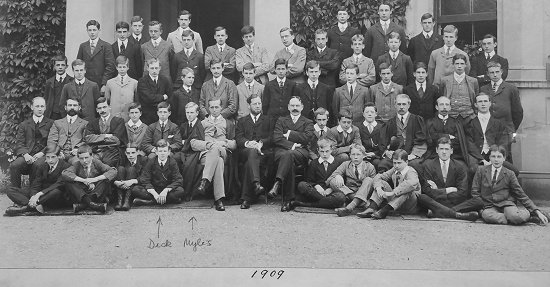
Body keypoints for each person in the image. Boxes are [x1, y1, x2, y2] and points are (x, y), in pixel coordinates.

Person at [474, 145, 549, 225]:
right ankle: (511, 219)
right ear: (489, 157)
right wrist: (482, 206)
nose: (496, 160)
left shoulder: (510, 173)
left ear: (504, 158)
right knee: (487, 215)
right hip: (489, 206)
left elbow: (521, 194)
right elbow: (475, 191)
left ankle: (527, 214)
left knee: (516, 217)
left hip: (506, 203)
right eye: (493, 156)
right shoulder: (481, 170)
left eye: (499, 157)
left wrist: (537, 211)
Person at [190, 98, 237, 211]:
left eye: (217, 107)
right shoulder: (201, 123)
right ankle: (219, 199)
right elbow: (193, 143)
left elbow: (235, 143)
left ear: (221, 108)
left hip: (223, 152)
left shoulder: (228, 123)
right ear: (208, 108)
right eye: (212, 107)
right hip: (206, 155)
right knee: (218, 161)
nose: (214, 110)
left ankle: (205, 180)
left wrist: (223, 143)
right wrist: (208, 145)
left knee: (218, 151)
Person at [417, 137, 480, 221]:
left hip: (451, 201)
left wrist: (438, 191)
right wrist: (448, 190)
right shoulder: (428, 165)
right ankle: (457, 214)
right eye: (441, 149)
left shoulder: (460, 166)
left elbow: (462, 192)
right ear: (436, 150)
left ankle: (439, 212)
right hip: (436, 201)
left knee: (478, 201)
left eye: (447, 149)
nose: (444, 152)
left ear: (451, 151)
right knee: (422, 197)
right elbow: (427, 191)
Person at [270, 96, 314, 211]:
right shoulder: (281, 120)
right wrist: (293, 145)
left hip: (301, 153)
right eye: (292, 106)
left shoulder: (308, 122)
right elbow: (277, 138)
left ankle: (278, 183)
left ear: (302, 107)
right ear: (288, 107)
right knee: (288, 157)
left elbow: (307, 138)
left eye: (297, 106)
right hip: (283, 151)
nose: (295, 108)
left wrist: (289, 133)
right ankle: (288, 200)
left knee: (288, 155)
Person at [5, 145, 71, 215]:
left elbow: (59, 184)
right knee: (10, 189)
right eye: (48, 157)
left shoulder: (66, 167)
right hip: (41, 196)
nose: (50, 160)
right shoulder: (42, 166)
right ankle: (35, 205)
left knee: (56, 192)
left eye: (53, 157)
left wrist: (39, 194)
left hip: (54, 197)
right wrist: (33, 196)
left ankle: (27, 207)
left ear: (59, 156)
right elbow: (36, 184)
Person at [354, 149, 420, 219]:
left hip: (410, 205)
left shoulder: (411, 171)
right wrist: (378, 188)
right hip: (396, 203)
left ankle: (384, 211)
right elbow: (379, 176)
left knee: (406, 190)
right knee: (382, 183)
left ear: (406, 162)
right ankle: (372, 208)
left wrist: (393, 192)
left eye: (399, 163)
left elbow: (411, 184)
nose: (396, 166)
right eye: (394, 163)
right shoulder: (395, 169)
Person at [236, 95, 274, 209]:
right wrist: (248, 143)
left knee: (249, 164)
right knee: (251, 152)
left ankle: (246, 199)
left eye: (259, 103)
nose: (258, 106)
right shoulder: (242, 121)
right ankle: (256, 183)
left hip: (263, 153)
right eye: (255, 104)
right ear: (248, 106)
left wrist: (261, 143)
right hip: (246, 152)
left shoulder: (268, 120)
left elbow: (272, 137)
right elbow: (238, 138)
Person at [464, 93, 517, 175]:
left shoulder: (498, 123)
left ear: (490, 103)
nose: (483, 104)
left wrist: (494, 157)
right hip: (477, 156)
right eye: (480, 101)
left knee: (514, 171)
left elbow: (503, 142)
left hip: (494, 154)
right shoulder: (470, 123)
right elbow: (470, 144)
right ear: (475, 105)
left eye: (485, 101)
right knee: (473, 171)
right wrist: (482, 160)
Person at [10, 97, 54, 188]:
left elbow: (52, 142)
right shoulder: (24, 124)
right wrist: (25, 154)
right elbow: (20, 143)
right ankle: (17, 193)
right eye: (37, 106)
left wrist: (42, 153)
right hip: (27, 155)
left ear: (45, 108)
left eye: (42, 106)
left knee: (37, 165)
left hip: (43, 155)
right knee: (15, 165)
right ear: (32, 107)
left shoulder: (51, 123)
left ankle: (33, 194)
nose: (40, 109)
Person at [480, 61, 523, 151]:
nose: (495, 75)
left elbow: (518, 112)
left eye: (497, 72)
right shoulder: (483, 89)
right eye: (492, 72)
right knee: (491, 156)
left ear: (501, 72)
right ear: (488, 74)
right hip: (489, 130)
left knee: (506, 157)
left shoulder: (511, 88)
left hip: (506, 131)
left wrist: (511, 129)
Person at [62, 144, 117, 213]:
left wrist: (95, 179)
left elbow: (113, 171)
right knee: (68, 181)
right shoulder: (77, 164)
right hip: (82, 194)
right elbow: (65, 173)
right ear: (78, 158)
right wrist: (84, 181)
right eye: (81, 158)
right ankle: (92, 205)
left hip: (96, 193)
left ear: (91, 156)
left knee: (106, 179)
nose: (84, 161)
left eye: (86, 157)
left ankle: (84, 205)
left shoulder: (96, 163)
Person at [293, 139, 346, 209]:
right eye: (322, 151)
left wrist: (331, 189)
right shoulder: (314, 163)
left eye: (327, 151)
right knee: (302, 185)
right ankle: (326, 203)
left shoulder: (338, 162)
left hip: (332, 192)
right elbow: (309, 180)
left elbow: (343, 180)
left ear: (331, 150)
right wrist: (316, 186)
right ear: (318, 150)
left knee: (340, 197)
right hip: (316, 193)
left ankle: (309, 205)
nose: (324, 154)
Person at [380, 94, 427, 170]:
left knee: (414, 165)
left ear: (409, 105)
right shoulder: (390, 123)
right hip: (395, 155)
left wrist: (414, 155)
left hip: (412, 154)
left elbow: (421, 141)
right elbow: (384, 142)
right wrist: (387, 152)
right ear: (395, 105)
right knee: (384, 164)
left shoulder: (417, 120)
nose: (401, 107)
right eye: (399, 104)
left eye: (404, 104)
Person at [133, 139, 185, 206]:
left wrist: (166, 190)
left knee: (180, 191)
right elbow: (145, 179)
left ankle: (150, 202)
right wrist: (154, 194)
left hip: (167, 190)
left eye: (164, 151)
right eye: (160, 151)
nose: (162, 153)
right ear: (156, 152)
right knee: (135, 189)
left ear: (169, 152)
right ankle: (165, 200)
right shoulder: (151, 162)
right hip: (154, 189)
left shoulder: (172, 162)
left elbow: (178, 180)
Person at [330, 144, 377, 217]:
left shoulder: (370, 167)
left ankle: (350, 207)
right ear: (350, 155)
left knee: (369, 180)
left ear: (364, 155)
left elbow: (374, 185)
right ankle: (359, 202)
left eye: (358, 154)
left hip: (365, 193)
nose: (355, 157)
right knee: (333, 181)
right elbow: (330, 178)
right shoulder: (346, 164)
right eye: (353, 154)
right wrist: (337, 176)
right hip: (348, 192)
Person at [76, 20, 116, 96]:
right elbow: (78, 65)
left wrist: (104, 84)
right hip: (86, 83)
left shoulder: (106, 46)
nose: (92, 32)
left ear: (99, 30)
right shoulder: (83, 46)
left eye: (94, 30)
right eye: (90, 30)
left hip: (100, 83)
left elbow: (110, 66)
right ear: (87, 31)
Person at [84, 97, 127, 166]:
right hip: (96, 152)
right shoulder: (92, 123)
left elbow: (116, 140)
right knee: (91, 164)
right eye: (100, 108)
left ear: (109, 107)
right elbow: (88, 138)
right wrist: (106, 136)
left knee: (107, 163)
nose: (102, 110)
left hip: (113, 152)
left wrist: (97, 140)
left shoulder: (119, 121)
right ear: (97, 110)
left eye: (104, 107)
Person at [425, 96, 469, 162]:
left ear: (450, 107)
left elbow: (458, 141)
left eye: (447, 104)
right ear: (436, 107)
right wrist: (448, 136)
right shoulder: (430, 122)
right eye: (441, 104)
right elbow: (430, 140)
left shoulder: (456, 123)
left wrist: (438, 136)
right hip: (434, 155)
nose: (444, 107)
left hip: (454, 155)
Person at [47, 97, 89, 165]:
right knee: (44, 164)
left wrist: (78, 150)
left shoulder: (85, 124)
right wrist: (57, 152)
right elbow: (51, 141)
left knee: (78, 163)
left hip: (75, 154)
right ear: (65, 107)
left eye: (75, 105)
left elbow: (86, 141)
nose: (72, 107)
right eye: (70, 105)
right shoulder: (57, 123)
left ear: (79, 107)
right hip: (59, 154)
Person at [439, 54, 479, 122]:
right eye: (457, 63)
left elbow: (476, 98)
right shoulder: (445, 80)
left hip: (469, 117)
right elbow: (441, 96)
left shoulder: (473, 81)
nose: (459, 66)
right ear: (453, 64)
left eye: (462, 64)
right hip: (451, 116)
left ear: (465, 65)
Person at [176, 102, 203, 200]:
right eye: (187, 112)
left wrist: (186, 142)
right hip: (184, 151)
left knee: (188, 165)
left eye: (192, 112)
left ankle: (187, 193)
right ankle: (176, 191)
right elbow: (179, 139)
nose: (189, 115)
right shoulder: (183, 125)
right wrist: (186, 142)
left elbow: (200, 140)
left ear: (197, 113)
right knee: (174, 159)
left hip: (195, 151)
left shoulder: (200, 125)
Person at [137, 58, 173, 125]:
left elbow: (170, 97)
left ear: (160, 68)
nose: (154, 71)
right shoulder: (142, 81)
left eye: (156, 68)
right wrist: (162, 97)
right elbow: (148, 98)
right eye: (152, 68)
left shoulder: (165, 80)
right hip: (147, 116)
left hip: (162, 115)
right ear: (147, 68)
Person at [113, 144, 146, 211]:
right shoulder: (122, 159)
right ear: (125, 153)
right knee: (120, 168)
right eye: (128, 153)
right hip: (122, 184)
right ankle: (120, 200)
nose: (130, 155)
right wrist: (116, 182)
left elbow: (145, 176)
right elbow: (114, 172)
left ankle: (127, 201)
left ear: (137, 152)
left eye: (133, 153)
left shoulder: (144, 160)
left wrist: (132, 181)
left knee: (131, 169)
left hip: (135, 186)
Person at [105, 55, 138, 121]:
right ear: (116, 67)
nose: (122, 69)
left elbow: (136, 101)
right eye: (120, 67)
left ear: (128, 67)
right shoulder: (110, 82)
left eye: (124, 67)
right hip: (114, 116)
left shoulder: (134, 83)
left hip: (128, 117)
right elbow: (107, 100)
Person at [358, 103, 387, 171]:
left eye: (372, 112)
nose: (369, 114)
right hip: (362, 156)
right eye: (367, 112)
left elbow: (383, 145)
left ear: (376, 114)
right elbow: (358, 143)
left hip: (377, 155)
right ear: (363, 114)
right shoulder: (358, 128)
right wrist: (364, 154)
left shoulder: (382, 127)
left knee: (378, 163)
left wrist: (374, 154)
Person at [44, 55, 73, 120]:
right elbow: (46, 99)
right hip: (52, 114)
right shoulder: (49, 82)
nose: (60, 67)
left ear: (66, 66)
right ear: (54, 66)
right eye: (58, 65)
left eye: (62, 65)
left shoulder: (72, 81)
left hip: (66, 114)